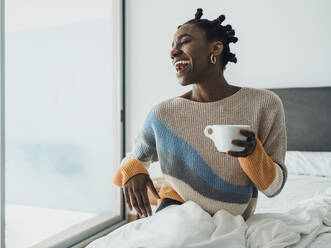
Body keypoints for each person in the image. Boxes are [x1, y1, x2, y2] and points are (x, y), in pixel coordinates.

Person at [113, 8, 287, 220]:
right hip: (175, 210)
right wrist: (132, 171)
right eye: (172, 47)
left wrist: (252, 154)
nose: (173, 53)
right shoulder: (163, 114)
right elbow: (134, 157)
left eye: (184, 42)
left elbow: (273, 188)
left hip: (235, 219)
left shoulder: (265, 104)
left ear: (215, 48)